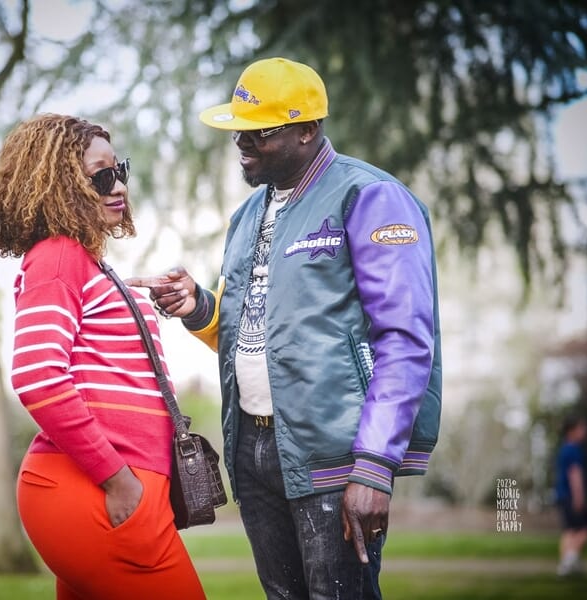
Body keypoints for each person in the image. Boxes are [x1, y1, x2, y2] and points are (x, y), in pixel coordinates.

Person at [128, 57, 442, 599]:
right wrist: (199, 307)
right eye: (238, 131)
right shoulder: (249, 214)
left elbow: (406, 339)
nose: (243, 144)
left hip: (335, 451)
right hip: (252, 447)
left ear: (307, 129)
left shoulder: (368, 196)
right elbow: (252, 332)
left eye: (260, 133)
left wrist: (373, 467)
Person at [0, 113, 206, 600]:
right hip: (101, 488)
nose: (117, 184)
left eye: (118, 169)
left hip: (106, 487)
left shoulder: (81, 262)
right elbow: (39, 376)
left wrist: (132, 293)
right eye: (100, 174)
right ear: (62, 185)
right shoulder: (59, 255)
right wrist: (117, 480)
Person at [555, 413, 587, 576]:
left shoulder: (564, 449)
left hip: (562, 495)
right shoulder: (574, 451)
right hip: (572, 495)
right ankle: (568, 562)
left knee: (570, 531)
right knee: (585, 529)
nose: (585, 431)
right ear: (571, 431)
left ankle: (568, 565)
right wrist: (579, 498)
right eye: (581, 427)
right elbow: (575, 475)